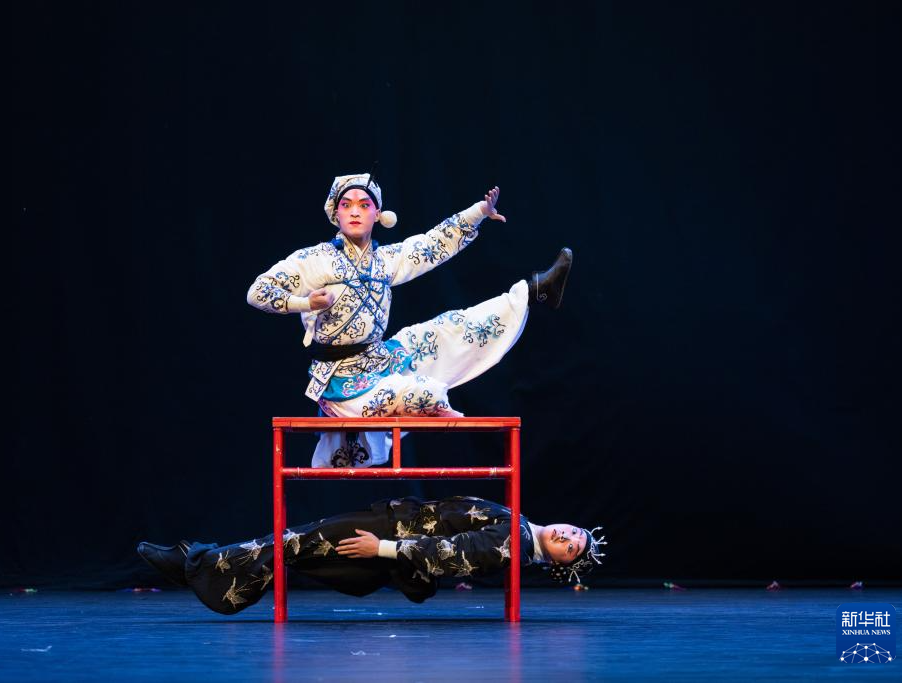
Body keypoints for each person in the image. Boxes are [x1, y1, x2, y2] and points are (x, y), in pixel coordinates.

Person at [246, 173, 573, 467]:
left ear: (378, 214)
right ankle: (423, 404)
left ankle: (535, 291)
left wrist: (479, 212)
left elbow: (431, 244)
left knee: (449, 328)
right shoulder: (314, 260)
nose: (355, 211)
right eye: (347, 205)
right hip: (342, 383)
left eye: (364, 205)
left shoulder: (384, 260)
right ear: (336, 213)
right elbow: (258, 292)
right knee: (426, 393)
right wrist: (305, 302)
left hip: (380, 360)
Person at [137, 496, 606, 615]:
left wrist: (379, 546)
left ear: (561, 564)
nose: (566, 537)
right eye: (574, 532)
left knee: (290, 543)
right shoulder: (519, 523)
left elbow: (448, 553)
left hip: (388, 540)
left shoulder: (515, 541)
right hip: (391, 545)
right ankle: (201, 570)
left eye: (571, 548)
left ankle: (193, 562)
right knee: (291, 550)